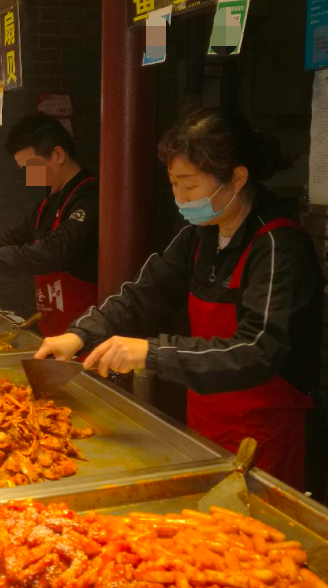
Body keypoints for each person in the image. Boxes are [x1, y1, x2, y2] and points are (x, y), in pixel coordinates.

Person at [36, 107, 324, 492]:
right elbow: (144, 293)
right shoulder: (199, 235)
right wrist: (81, 334)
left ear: (236, 179)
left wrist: (150, 353)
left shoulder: (277, 246)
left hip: (265, 433)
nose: (179, 197)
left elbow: (257, 350)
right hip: (205, 421)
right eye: (173, 184)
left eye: (188, 186)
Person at [0, 114, 99, 337]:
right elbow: (17, 234)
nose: (28, 178)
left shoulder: (91, 198)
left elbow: (53, 251)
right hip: (54, 332)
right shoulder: (48, 203)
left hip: (87, 337)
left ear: (58, 154)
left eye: (31, 168)